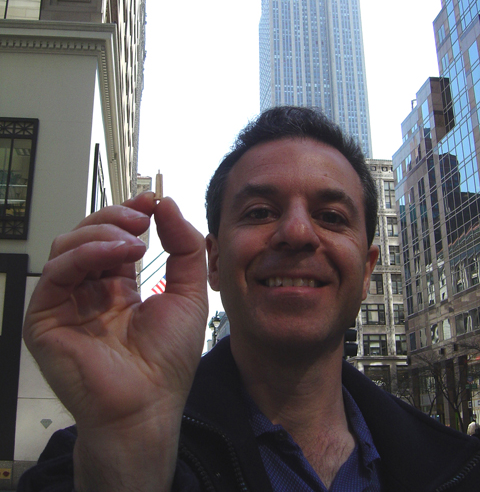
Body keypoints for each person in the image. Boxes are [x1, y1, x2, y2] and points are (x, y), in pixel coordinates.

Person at [19, 107, 480, 492]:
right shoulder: (83, 463)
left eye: (331, 216)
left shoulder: (457, 468)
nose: (298, 232)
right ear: (214, 262)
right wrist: (127, 451)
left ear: (366, 270)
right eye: (260, 212)